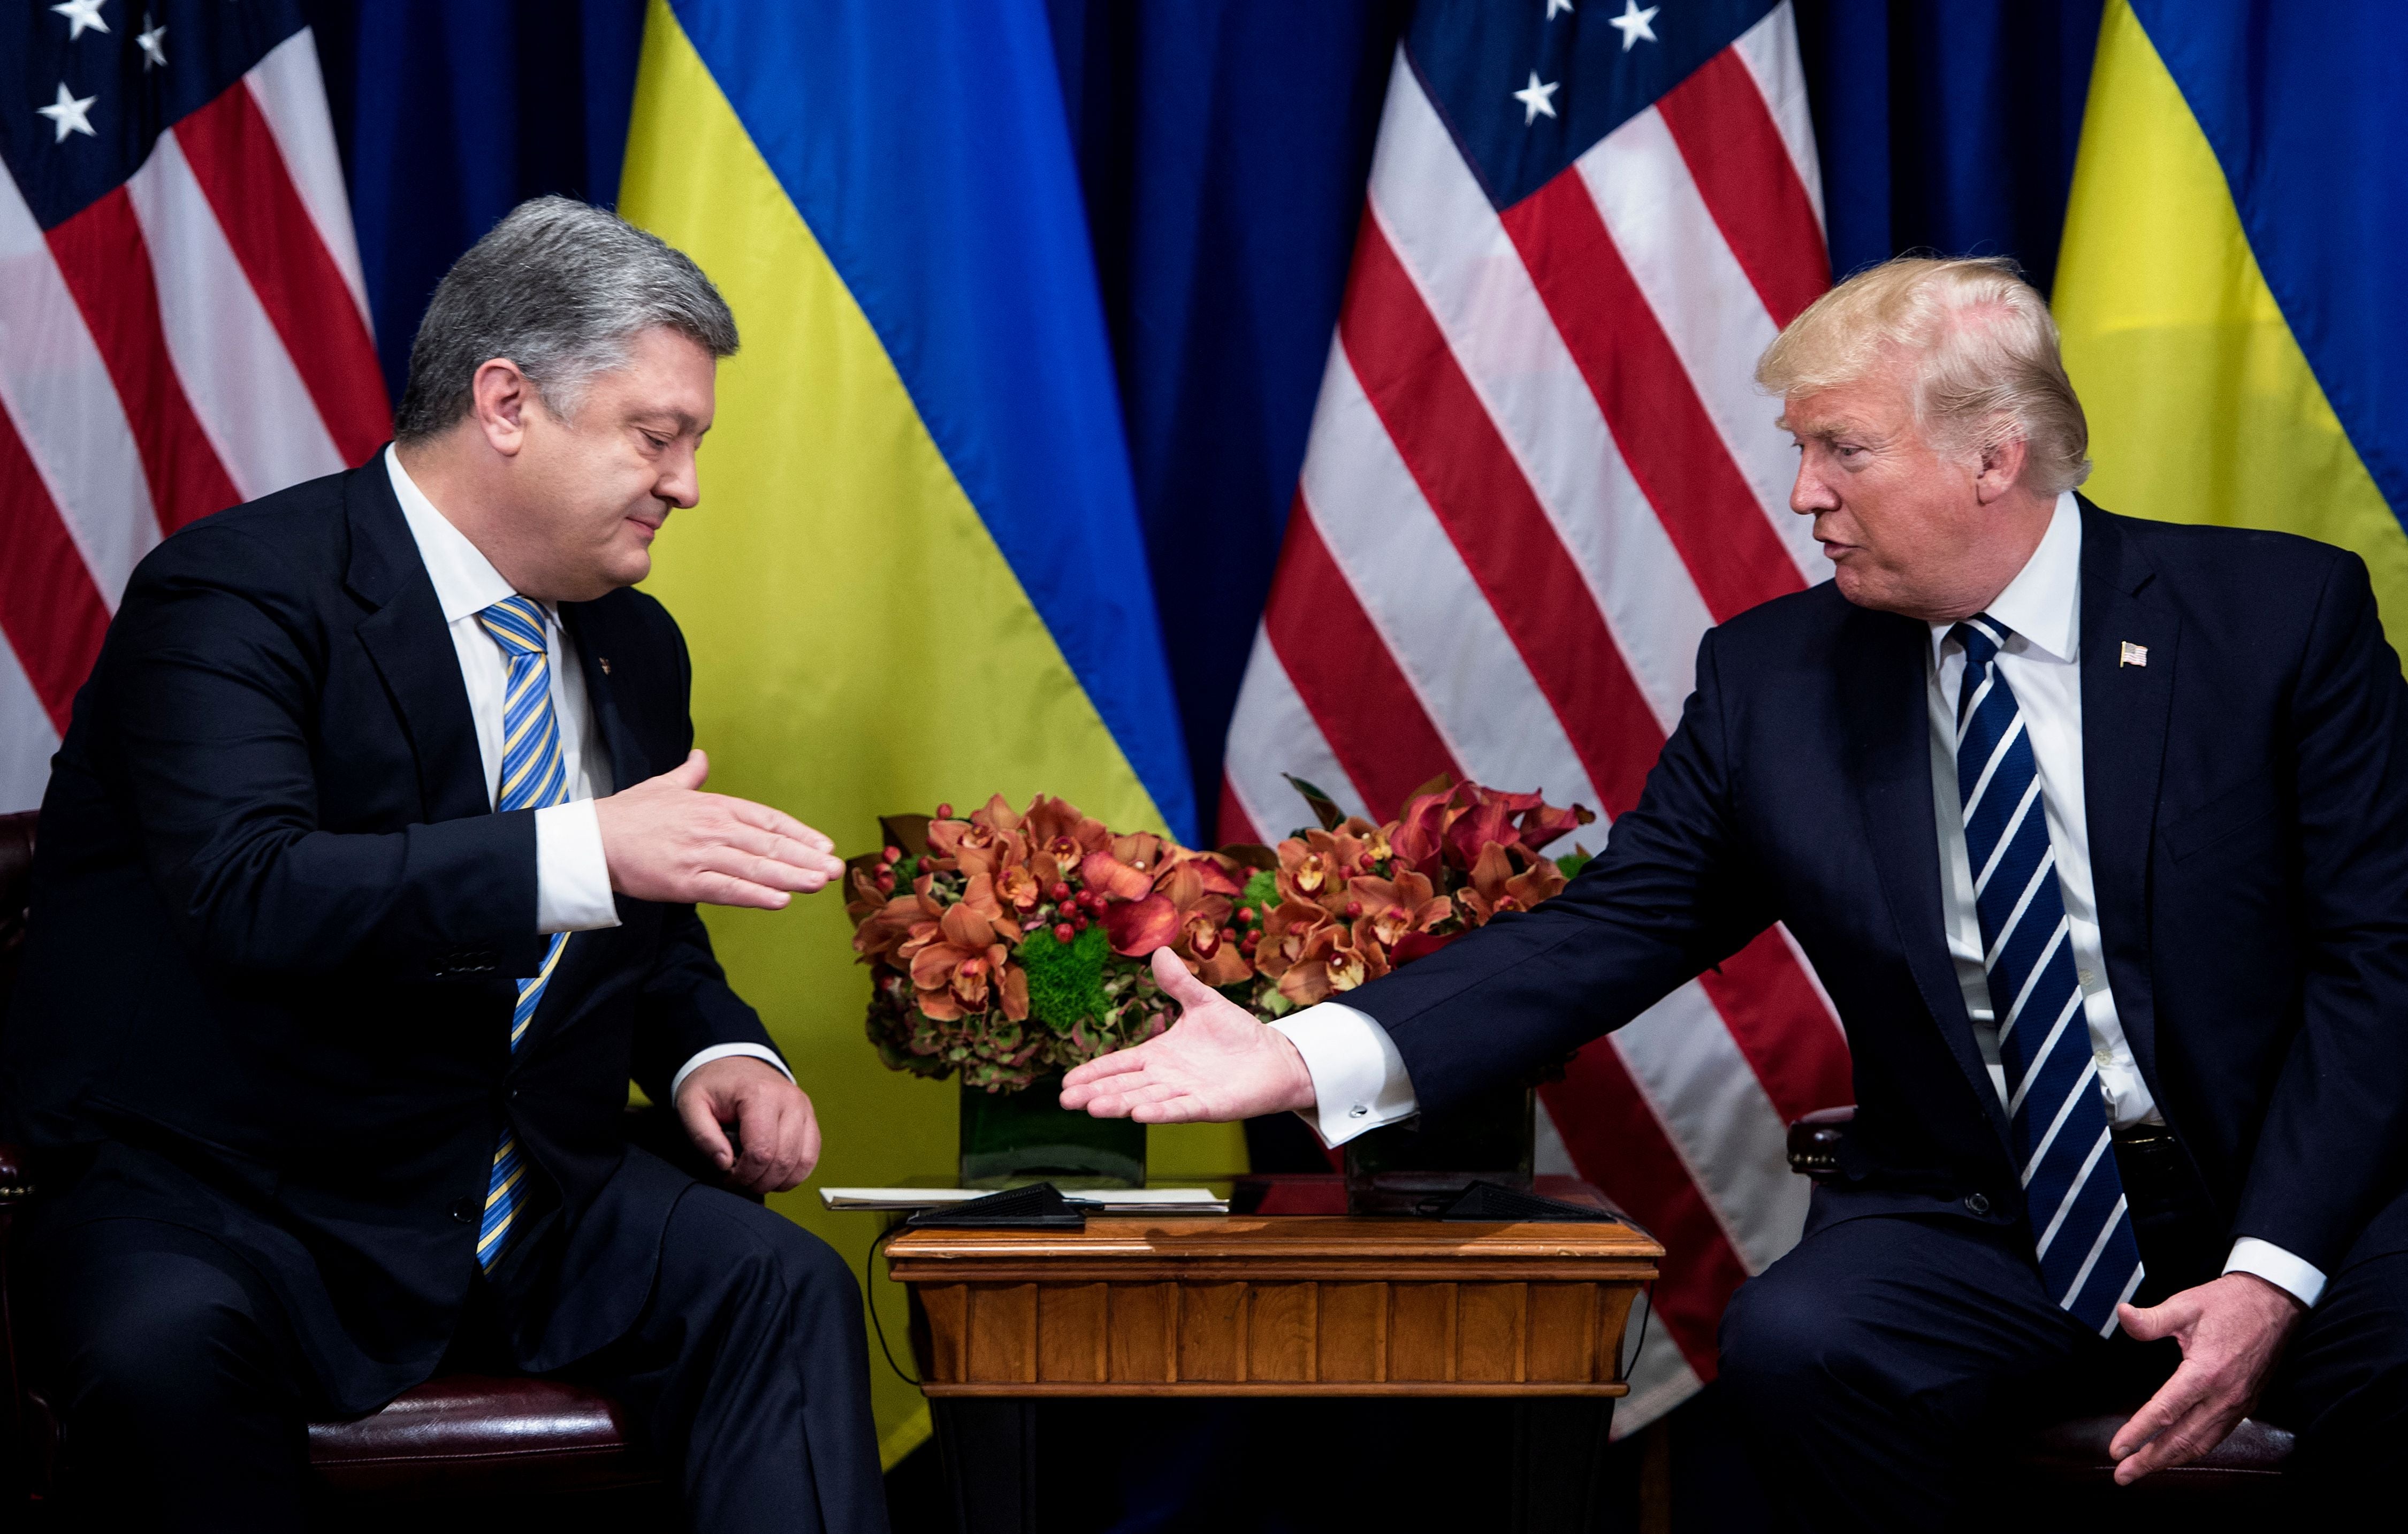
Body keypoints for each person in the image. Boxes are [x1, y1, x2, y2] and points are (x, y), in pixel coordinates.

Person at [1061, 257, 2408, 1524]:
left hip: (2294, 1192)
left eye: (1844, 449)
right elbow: (1620, 922)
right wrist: (1305, 1056)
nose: (1805, 493)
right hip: (1993, 1220)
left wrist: (2268, 1269)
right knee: (1802, 1344)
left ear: (1995, 455)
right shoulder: (1775, 679)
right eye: (1800, 450)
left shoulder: (2276, 619)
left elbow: (2380, 962)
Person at [1, 199, 885, 1532]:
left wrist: (719, 1052)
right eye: (660, 436)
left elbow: (634, 918)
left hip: (527, 1181)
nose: (688, 484)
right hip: (233, 1190)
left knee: (783, 1283)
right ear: (509, 401)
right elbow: (255, 892)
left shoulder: (634, 643)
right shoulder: (235, 594)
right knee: (159, 1355)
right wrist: (584, 846)